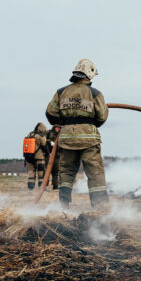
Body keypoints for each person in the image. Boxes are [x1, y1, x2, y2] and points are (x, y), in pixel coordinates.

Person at [45, 59, 109, 208]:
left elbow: (50, 113)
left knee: (66, 173)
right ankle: (100, 208)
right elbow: (102, 117)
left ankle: (63, 206)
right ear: (89, 74)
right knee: (95, 173)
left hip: (67, 138)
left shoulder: (61, 92)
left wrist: (65, 122)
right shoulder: (95, 93)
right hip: (89, 139)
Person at [23, 123, 49, 190]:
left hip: (28, 156)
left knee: (31, 172)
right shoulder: (40, 136)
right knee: (41, 173)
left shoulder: (30, 134)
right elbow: (44, 145)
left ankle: (30, 188)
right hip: (39, 157)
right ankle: (42, 188)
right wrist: (47, 153)